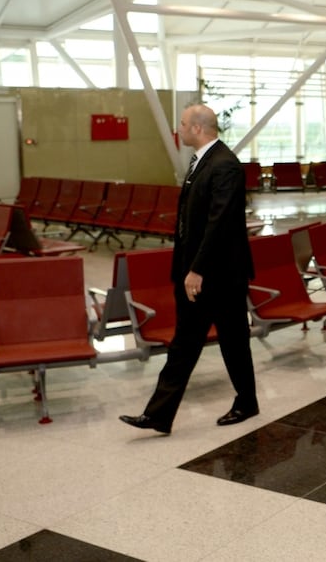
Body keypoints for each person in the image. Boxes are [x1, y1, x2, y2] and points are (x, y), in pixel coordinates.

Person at [120, 104, 258, 434]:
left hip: (219, 275)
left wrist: (196, 269)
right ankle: (159, 415)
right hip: (197, 273)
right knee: (185, 343)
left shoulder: (224, 166)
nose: (178, 130)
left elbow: (219, 224)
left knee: (233, 341)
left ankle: (246, 402)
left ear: (197, 128)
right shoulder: (202, 162)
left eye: (182, 124)